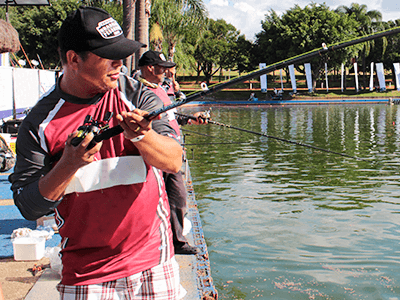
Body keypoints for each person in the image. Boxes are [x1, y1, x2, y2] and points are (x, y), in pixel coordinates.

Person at [9, 7, 184, 299]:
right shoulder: (38, 124)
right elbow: (29, 206)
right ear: (74, 59)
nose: (119, 63)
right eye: (109, 55)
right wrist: (68, 164)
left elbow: (173, 160)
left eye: (121, 54)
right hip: (86, 273)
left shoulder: (136, 95)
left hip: (154, 260)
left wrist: (143, 135)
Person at [137, 50, 206, 255]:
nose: (166, 71)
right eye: (162, 67)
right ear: (150, 68)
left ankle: (175, 239)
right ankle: (173, 241)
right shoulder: (138, 91)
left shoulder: (159, 89)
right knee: (172, 195)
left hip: (171, 150)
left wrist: (191, 118)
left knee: (176, 195)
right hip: (158, 151)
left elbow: (170, 117)